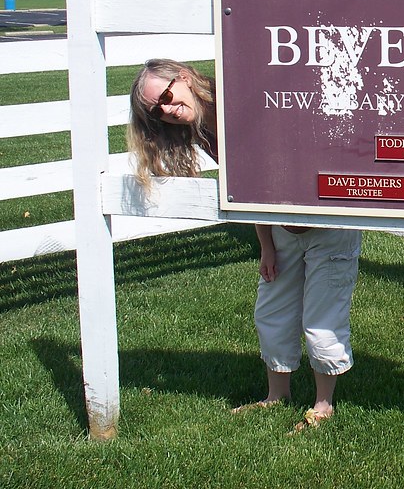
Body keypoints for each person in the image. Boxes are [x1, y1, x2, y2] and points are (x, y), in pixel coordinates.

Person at [127, 58, 361, 432]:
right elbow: (251, 187)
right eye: (158, 111)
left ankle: (323, 404)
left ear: (184, 78)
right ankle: (276, 395)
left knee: (321, 318)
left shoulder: (241, 99)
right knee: (272, 312)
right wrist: (266, 244)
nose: (167, 111)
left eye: (167, 97)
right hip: (282, 228)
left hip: (328, 221)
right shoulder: (206, 130)